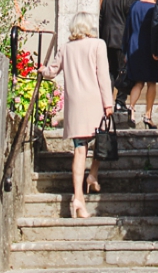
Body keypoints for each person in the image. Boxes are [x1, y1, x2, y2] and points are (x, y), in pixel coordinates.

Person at [42, 12, 113, 219]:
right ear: (89, 27)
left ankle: (78, 198)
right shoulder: (98, 45)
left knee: (80, 150)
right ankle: (92, 175)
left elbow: (52, 71)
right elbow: (103, 76)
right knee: (102, 142)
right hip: (94, 102)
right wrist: (108, 103)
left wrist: (41, 71)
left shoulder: (65, 48)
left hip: (75, 105)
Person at [123, 0, 158, 128]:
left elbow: (127, 28)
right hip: (149, 48)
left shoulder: (134, 6)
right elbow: (156, 29)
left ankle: (131, 109)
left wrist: (125, 50)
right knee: (151, 82)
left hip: (133, 46)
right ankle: (147, 115)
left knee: (138, 81)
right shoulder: (155, 8)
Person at [99, 0, 136, 110]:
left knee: (110, 71)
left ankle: (107, 99)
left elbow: (101, 21)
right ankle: (120, 101)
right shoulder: (129, 0)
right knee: (123, 71)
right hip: (122, 41)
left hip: (107, 41)